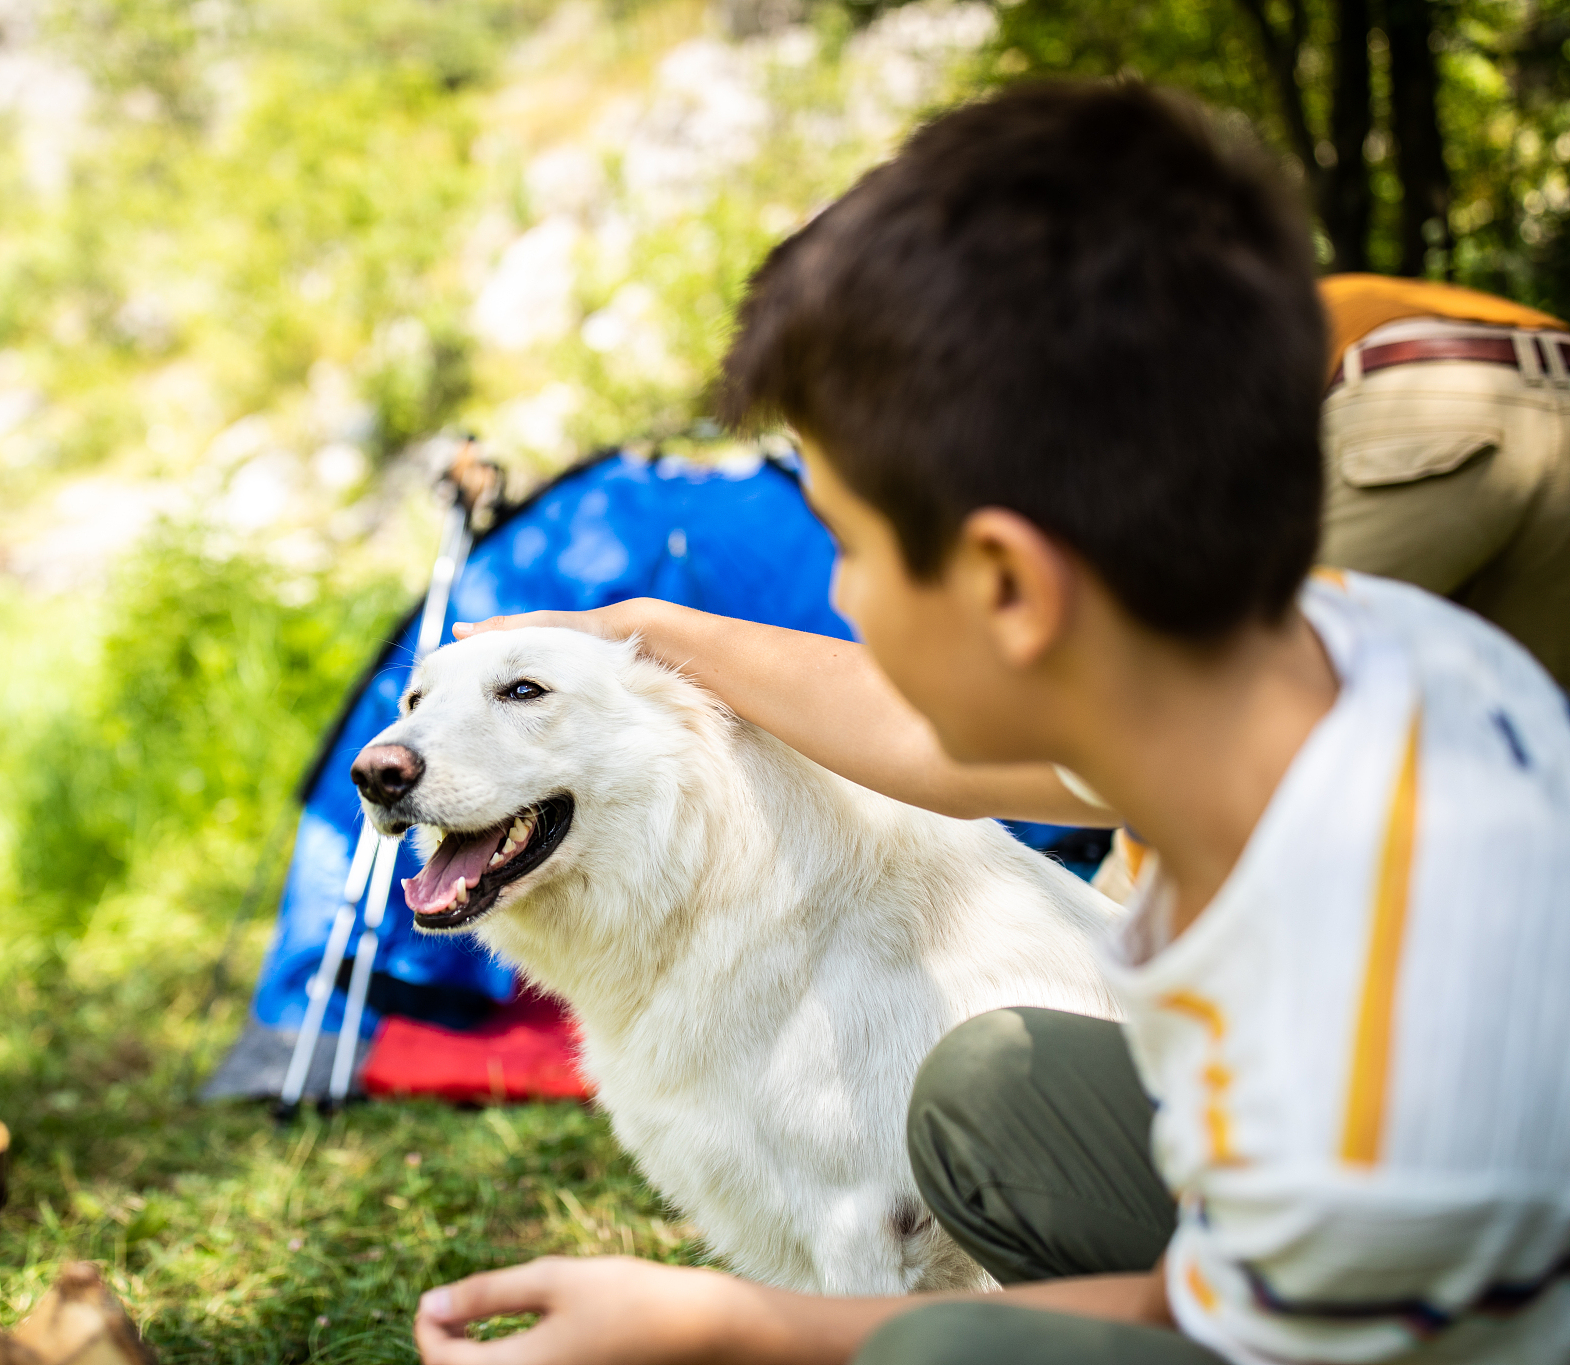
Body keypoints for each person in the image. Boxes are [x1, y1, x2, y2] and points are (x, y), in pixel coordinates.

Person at [412, 81, 1570, 1365]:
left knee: (938, 1352)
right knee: (989, 1085)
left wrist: (731, 1325)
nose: (838, 597)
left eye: (847, 549)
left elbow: (1227, 1331)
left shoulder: (1360, 1013)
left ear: (1007, 586)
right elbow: (930, 748)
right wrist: (661, 636)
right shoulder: (1353, 649)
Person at [1317, 274, 1570, 689]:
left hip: (1429, 392)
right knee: (1526, 724)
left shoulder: (1213, 330)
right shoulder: (1361, 298)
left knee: (1263, 680)